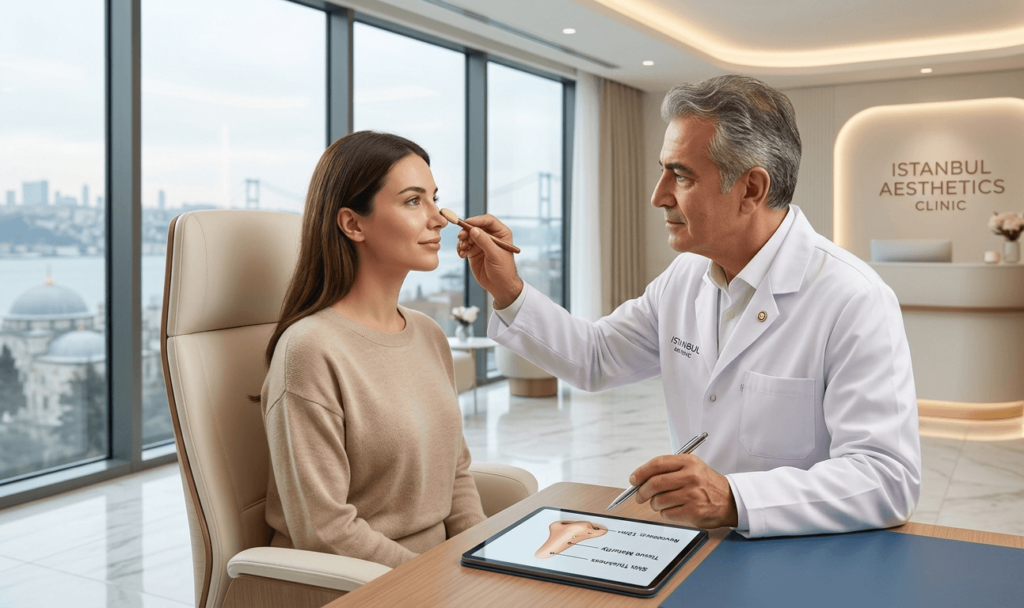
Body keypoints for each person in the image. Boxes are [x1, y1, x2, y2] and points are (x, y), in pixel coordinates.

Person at [456, 75, 921, 538]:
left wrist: (732, 498)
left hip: (803, 554)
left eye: (681, 175)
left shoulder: (853, 298)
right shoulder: (686, 277)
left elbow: (887, 479)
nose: (658, 196)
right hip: (697, 545)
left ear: (751, 189)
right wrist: (509, 289)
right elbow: (595, 358)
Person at [260, 131, 485, 568]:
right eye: (414, 201)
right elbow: (325, 531)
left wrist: (484, 559)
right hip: (360, 585)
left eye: (435, 199)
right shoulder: (309, 351)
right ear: (353, 224)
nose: (440, 219)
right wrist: (440, 584)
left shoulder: (428, 334)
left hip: (440, 579)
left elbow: (454, 476)